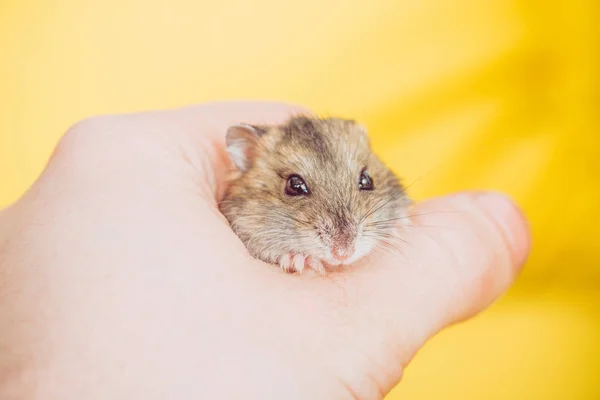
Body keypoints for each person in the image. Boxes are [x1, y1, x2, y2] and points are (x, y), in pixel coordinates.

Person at [0, 101, 530, 399]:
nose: (343, 230)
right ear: (246, 158)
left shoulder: (382, 197)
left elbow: (393, 206)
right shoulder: (233, 209)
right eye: (297, 188)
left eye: (363, 184)